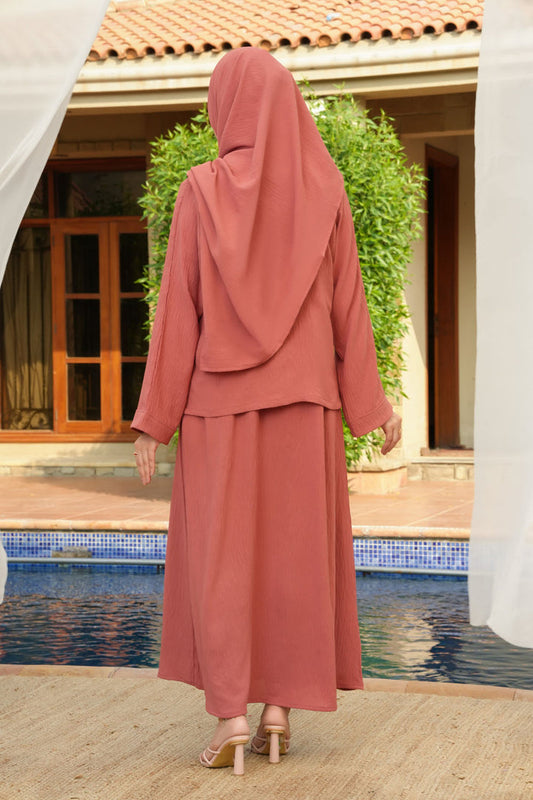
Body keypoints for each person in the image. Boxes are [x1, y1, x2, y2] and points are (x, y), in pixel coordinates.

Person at [132, 47, 402, 776]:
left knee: (222, 561)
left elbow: (178, 312)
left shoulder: (200, 190)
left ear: (228, 108)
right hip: (306, 407)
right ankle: (277, 714)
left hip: (219, 408)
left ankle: (231, 717)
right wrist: (371, 406)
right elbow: (350, 308)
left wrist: (155, 418)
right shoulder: (326, 190)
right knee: (294, 559)